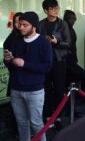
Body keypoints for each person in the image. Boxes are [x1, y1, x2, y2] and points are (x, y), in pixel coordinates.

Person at [4, 12, 53, 141]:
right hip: (16, 89)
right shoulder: (16, 41)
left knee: (36, 123)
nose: (21, 27)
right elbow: (11, 65)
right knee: (21, 123)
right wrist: (8, 60)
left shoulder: (44, 43)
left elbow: (47, 67)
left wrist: (25, 64)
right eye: (20, 24)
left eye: (25, 25)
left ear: (34, 26)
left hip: (34, 91)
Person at [37, 0, 71, 130]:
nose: (56, 11)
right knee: (45, 90)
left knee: (59, 89)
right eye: (52, 9)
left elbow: (69, 44)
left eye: (57, 8)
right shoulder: (40, 25)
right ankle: (47, 116)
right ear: (46, 11)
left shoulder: (63, 24)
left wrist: (57, 42)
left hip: (59, 61)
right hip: (44, 62)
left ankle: (58, 117)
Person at [3, 12, 23, 96]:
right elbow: (7, 60)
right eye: (16, 21)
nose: (18, 24)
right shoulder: (11, 38)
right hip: (16, 75)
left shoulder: (31, 36)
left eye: (20, 21)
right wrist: (9, 60)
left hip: (31, 77)